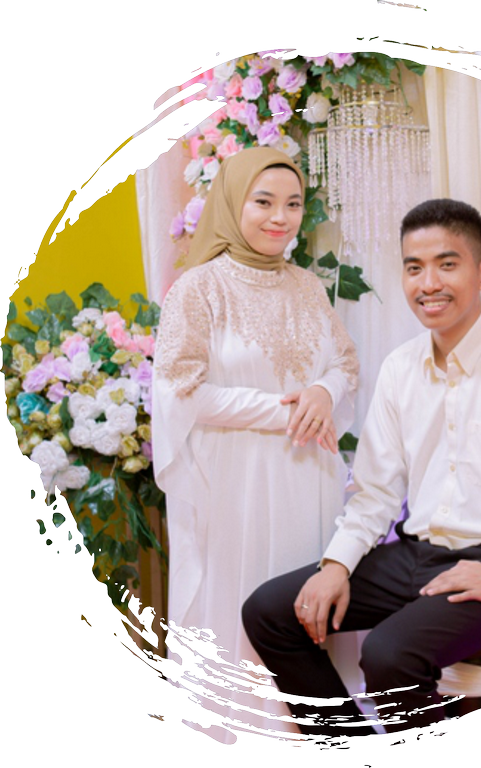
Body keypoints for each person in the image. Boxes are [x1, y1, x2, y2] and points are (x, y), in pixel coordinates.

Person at [242, 198, 481, 738]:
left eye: (447, 264)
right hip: (416, 556)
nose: (429, 283)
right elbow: (375, 493)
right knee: (269, 611)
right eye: (414, 268)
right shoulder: (400, 369)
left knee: (387, 654)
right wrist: (336, 566)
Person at [151, 146, 359, 737]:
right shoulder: (199, 289)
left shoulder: (308, 287)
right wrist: (284, 410)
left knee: (300, 606)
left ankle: (314, 737)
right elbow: (180, 390)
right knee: (239, 597)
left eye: (293, 204)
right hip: (234, 480)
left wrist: (323, 390)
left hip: (308, 478)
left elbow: (345, 364)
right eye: (263, 202)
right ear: (232, 203)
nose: (280, 217)